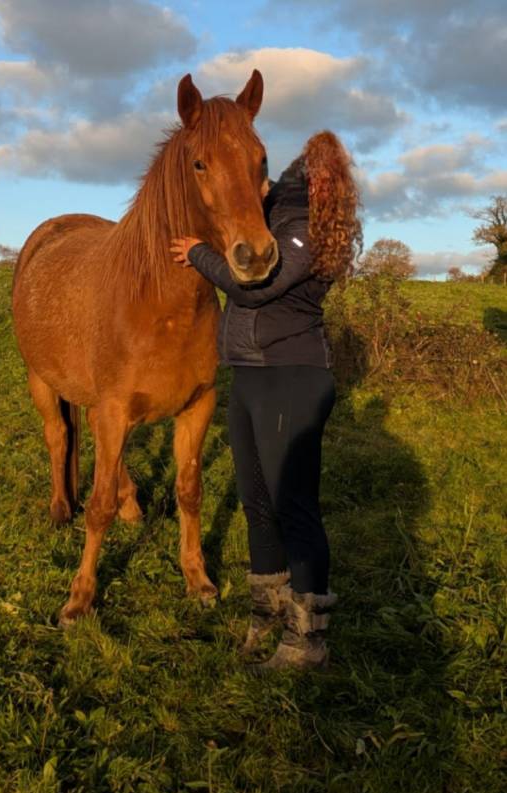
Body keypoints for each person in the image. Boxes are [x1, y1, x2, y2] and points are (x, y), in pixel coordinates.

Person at [171, 130, 361, 672]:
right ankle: (267, 612)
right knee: (257, 503)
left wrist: (199, 256)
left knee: (293, 508)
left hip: (293, 376)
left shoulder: (304, 230)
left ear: (317, 184)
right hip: (251, 375)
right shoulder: (274, 216)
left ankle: (308, 641)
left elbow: (254, 288)